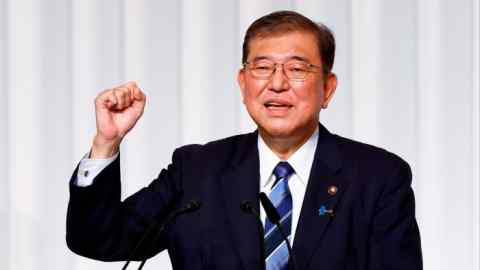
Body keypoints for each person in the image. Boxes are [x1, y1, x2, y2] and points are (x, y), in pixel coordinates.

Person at [66, 10, 422, 270]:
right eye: (263, 67)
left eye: (297, 68)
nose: (277, 83)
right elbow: (99, 239)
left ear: (327, 88)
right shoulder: (197, 172)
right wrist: (106, 143)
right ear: (243, 83)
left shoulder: (378, 178)